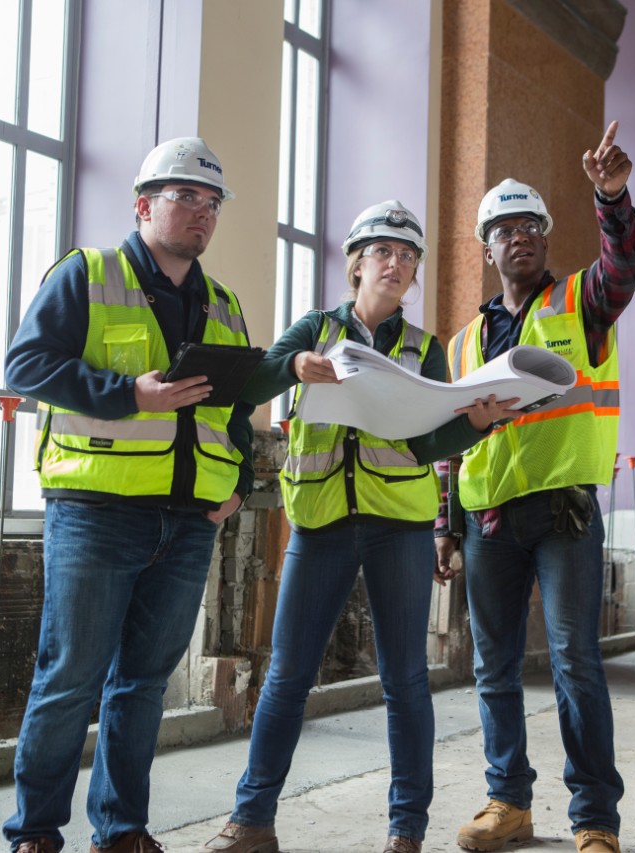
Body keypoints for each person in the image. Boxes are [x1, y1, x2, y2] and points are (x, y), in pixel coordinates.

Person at [201, 202, 521, 853]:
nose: (397, 264)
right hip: (319, 523)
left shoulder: (424, 348)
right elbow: (255, 378)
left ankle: (407, 830)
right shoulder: (315, 329)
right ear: (356, 264)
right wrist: (293, 367)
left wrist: (475, 422)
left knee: (405, 679)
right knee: (288, 672)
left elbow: (431, 439)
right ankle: (252, 818)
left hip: (398, 528)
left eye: (408, 257)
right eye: (385, 253)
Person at [1, 137, 256, 853]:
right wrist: (128, 394)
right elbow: (26, 364)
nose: (201, 214)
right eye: (185, 199)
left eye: (211, 204)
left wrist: (238, 482)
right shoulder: (88, 275)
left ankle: (120, 829)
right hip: (96, 511)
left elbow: (234, 411)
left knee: (143, 683)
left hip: (190, 521)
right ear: (143, 205)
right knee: (70, 677)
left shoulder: (225, 303)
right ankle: (35, 831)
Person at [436, 121, 635, 853]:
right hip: (486, 519)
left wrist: (611, 198)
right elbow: (448, 440)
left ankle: (594, 816)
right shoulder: (463, 341)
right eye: (505, 227)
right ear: (486, 245)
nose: (519, 235)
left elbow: (624, 267)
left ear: (546, 239)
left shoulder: (582, 302)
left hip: (564, 515)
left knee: (573, 659)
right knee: (491, 665)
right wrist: (443, 525)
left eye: (531, 225)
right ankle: (508, 803)